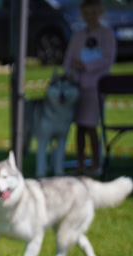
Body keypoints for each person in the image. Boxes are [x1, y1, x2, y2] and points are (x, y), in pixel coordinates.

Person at [63, 0, 116, 176]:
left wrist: (86, 65)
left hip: (96, 86)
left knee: (91, 125)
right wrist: (68, 74)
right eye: (86, 13)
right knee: (79, 126)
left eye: (93, 13)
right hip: (77, 86)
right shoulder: (78, 35)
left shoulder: (107, 34)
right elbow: (69, 58)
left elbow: (108, 59)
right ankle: (80, 163)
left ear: (99, 13)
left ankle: (95, 163)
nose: (90, 17)